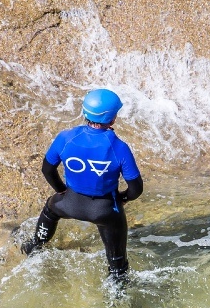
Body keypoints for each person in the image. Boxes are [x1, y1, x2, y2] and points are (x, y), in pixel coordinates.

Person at [21, 88, 143, 283]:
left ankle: (34, 246)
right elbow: (136, 189)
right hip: (104, 211)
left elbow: (47, 170)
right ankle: (117, 294)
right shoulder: (119, 148)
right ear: (112, 119)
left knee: (50, 210)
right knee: (118, 266)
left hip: (67, 203)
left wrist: (61, 191)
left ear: (85, 113)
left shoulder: (66, 137)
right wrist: (122, 199)